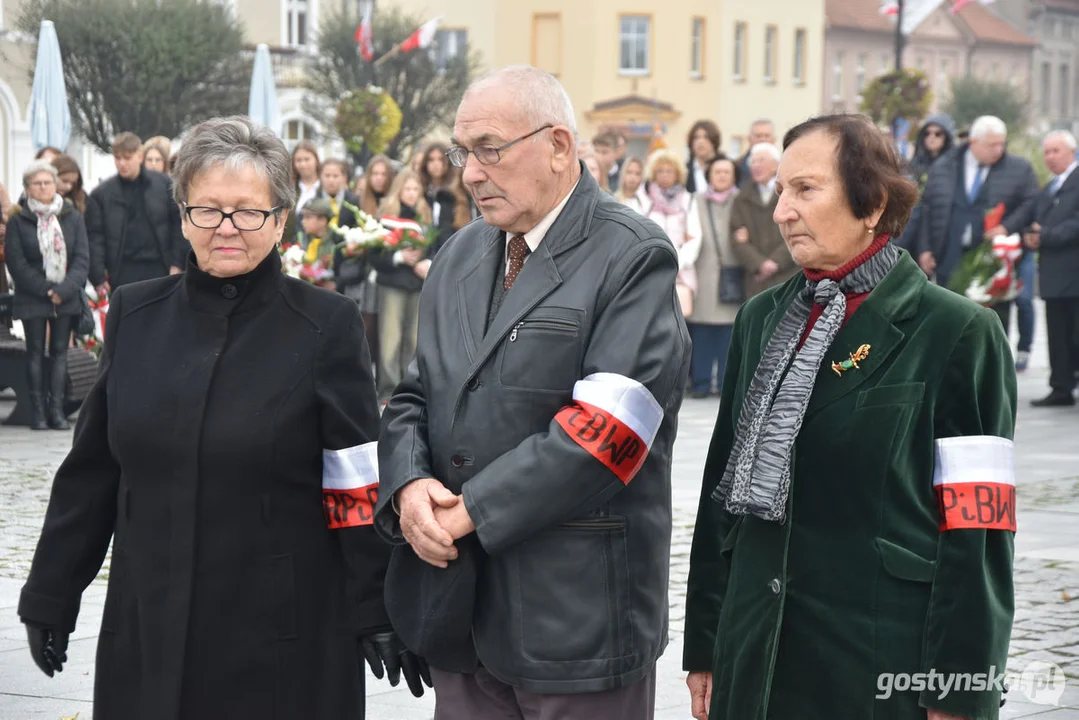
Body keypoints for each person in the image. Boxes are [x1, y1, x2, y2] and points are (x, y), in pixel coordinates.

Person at [18, 116, 429, 718]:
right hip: (150, 619)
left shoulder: (326, 325)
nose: (227, 228)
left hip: (279, 630)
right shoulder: (136, 315)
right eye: (208, 210)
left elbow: (354, 481)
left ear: (281, 219)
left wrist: (376, 605)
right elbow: (93, 471)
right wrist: (51, 591)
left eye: (248, 211)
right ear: (183, 215)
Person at [373, 64, 690, 720]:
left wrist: (469, 512)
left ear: (557, 146)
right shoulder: (460, 254)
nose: (469, 171)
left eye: (490, 148)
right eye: (463, 152)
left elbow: (609, 433)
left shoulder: (631, 255)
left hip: (574, 621)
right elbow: (413, 393)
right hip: (463, 612)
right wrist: (407, 488)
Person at [684, 113, 1016, 720]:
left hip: (872, 663)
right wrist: (704, 643)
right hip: (754, 654)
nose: (783, 210)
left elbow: (981, 531)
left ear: (873, 203)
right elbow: (720, 495)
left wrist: (960, 689)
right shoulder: (761, 319)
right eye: (781, 190)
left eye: (805, 189)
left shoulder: (959, 331)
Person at [914, 115, 1039, 370]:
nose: (999, 149)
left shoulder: (1019, 168)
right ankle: (953, 368)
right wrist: (925, 248)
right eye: (992, 144)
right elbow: (927, 209)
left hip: (992, 258)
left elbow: (1031, 202)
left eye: (1001, 143)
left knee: (992, 316)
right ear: (973, 142)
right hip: (949, 253)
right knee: (951, 310)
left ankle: (992, 368)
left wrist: (1008, 226)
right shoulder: (945, 166)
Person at [4, 160, 90, 430]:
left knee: (60, 353)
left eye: (47, 182)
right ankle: (38, 412)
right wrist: (46, 290)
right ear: (27, 189)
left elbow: (81, 259)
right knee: (34, 352)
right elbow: (17, 263)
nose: (43, 187)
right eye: (36, 184)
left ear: (56, 185)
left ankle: (57, 411)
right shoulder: (19, 220)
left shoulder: (72, 216)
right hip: (33, 297)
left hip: (66, 296)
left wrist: (63, 290)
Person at [996, 130, 1079, 406]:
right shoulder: (1052, 186)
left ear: (1071, 151)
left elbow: (1074, 225)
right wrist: (1013, 231)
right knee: (1058, 334)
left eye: (1056, 151)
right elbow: (1030, 212)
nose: (1050, 157)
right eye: (1046, 152)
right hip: (1055, 274)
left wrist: (1045, 236)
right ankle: (1061, 386)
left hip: (1073, 270)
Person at [86, 132, 186, 295]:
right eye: (117, 158)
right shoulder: (101, 194)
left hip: (160, 266)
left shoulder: (164, 185)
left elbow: (178, 225)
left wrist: (177, 263)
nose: (122, 163)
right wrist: (98, 277)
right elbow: (95, 237)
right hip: (122, 270)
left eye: (127, 157)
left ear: (139, 156)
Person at [368, 169, 432, 402]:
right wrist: (399, 258)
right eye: (408, 189)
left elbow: (436, 246)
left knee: (413, 340)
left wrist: (428, 262)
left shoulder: (425, 216)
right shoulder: (386, 216)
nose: (412, 194)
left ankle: (409, 390)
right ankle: (388, 391)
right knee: (390, 339)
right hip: (392, 284)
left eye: (416, 189)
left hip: (418, 284)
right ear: (399, 189)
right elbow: (373, 255)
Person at [688, 156, 742, 398]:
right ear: (709, 175)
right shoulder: (696, 201)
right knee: (701, 331)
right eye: (717, 171)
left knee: (727, 334)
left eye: (726, 172)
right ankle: (700, 383)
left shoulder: (741, 200)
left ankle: (723, 383)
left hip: (732, 274)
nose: (721, 176)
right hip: (703, 271)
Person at [730, 142, 798, 297]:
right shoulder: (742, 198)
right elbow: (737, 239)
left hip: (789, 275)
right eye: (753, 161)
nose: (755, 165)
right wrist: (759, 263)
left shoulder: (791, 193)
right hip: (756, 281)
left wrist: (775, 262)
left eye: (761, 160)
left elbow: (799, 229)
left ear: (775, 165)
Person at [645, 148, 701, 319]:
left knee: (678, 322)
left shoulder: (688, 200)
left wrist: (677, 262)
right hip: (650, 269)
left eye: (669, 171)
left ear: (678, 174)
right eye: (660, 171)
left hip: (681, 273)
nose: (664, 175)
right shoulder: (642, 199)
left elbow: (695, 237)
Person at [895, 114, 956, 253]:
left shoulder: (954, 167)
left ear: (947, 136)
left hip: (939, 232)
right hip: (913, 230)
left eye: (937, 133)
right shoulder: (915, 164)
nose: (931, 137)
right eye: (927, 133)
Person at [420, 143, 472, 235]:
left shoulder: (457, 193)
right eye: (431, 160)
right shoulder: (420, 191)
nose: (436, 164)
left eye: (441, 159)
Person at [736, 119, 776, 189]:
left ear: (774, 139)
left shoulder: (784, 165)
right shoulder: (737, 166)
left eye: (767, 136)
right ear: (749, 139)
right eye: (758, 136)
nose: (763, 139)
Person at [685, 120, 721, 194]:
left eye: (706, 137)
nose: (701, 141)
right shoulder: (686, 170)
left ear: (714, 141)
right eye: (696, 138)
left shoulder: (725, 168)